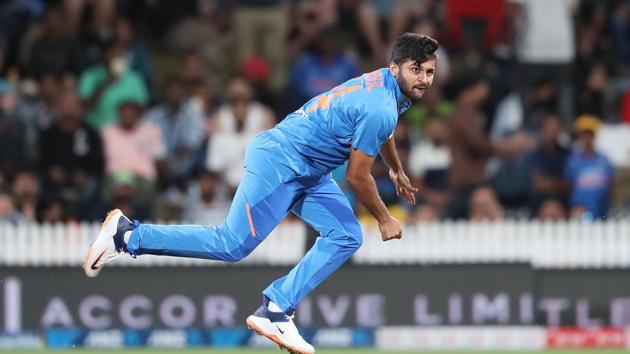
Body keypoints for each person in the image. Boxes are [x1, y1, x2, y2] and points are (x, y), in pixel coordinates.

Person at [83, 33, 437, 354]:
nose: (423, 79)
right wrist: (384, 217)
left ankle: (276, 308)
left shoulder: (389, 89)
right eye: (416, 69)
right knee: (231, 244)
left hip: (308, 168)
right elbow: (358, 178)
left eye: (429, 72)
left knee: (345, 235)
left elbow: (382, 129)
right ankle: (127, 235)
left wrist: (395, 168)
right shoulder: (381, 106)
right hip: (282, 161)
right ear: (395, 68)